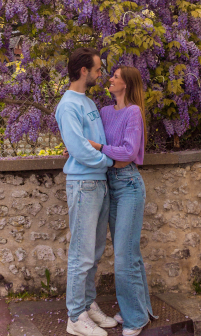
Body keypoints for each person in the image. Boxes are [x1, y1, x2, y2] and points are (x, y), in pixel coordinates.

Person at [55, 48, 127, 336]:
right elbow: (80, 148)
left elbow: (92, 142)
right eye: (98, 69)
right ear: (84, 70)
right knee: (81, 253)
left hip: (98, 182)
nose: (101, 74)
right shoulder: (68, 104)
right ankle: (75, 317)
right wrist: (110, 160)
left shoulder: (86, 101)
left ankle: (86, 304)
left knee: (94, 252)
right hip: (84, 183)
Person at [88, 66, 155, 336]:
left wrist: (99, 148)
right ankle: (139, 311)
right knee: (130, 255)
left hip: (128, 185)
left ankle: (135, 319)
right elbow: (94, 141)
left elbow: (127, 153)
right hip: (109, 185)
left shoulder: (133, 112)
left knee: (124, 257)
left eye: (115, 76)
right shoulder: (104, 112)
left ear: (126, 84)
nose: (110, 79)